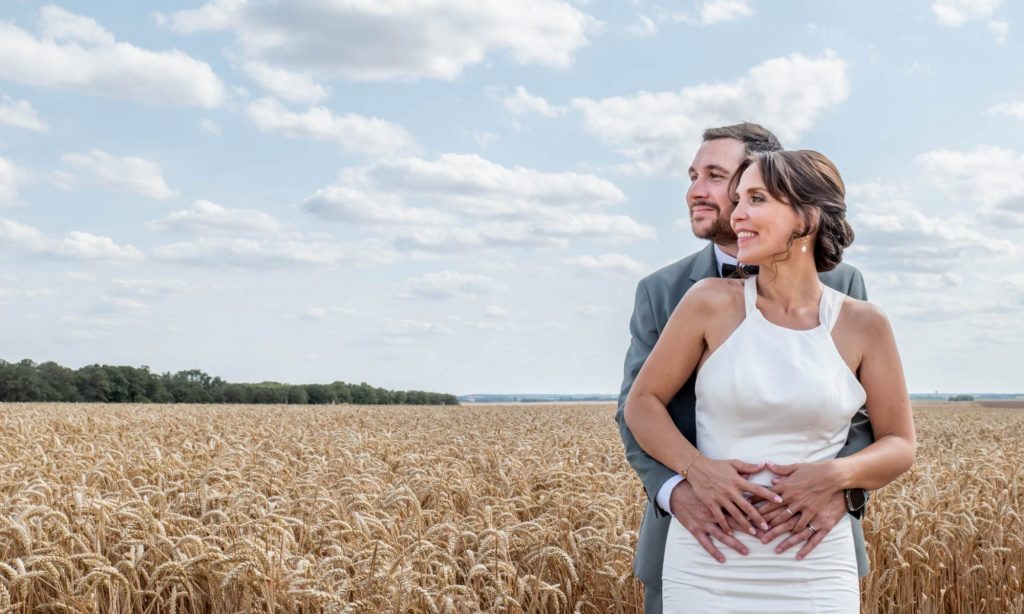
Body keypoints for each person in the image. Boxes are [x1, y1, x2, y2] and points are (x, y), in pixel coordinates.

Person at [623, 149, 916, 612]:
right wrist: (697, 469)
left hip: (815, 558)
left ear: (807, 216)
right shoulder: (708, 303)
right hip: (710, 557)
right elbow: (642, 403)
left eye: (756, 199)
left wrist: (835, 477)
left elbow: (899, 442)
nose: (736, 213)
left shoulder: (865, 324)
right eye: (737, 199)